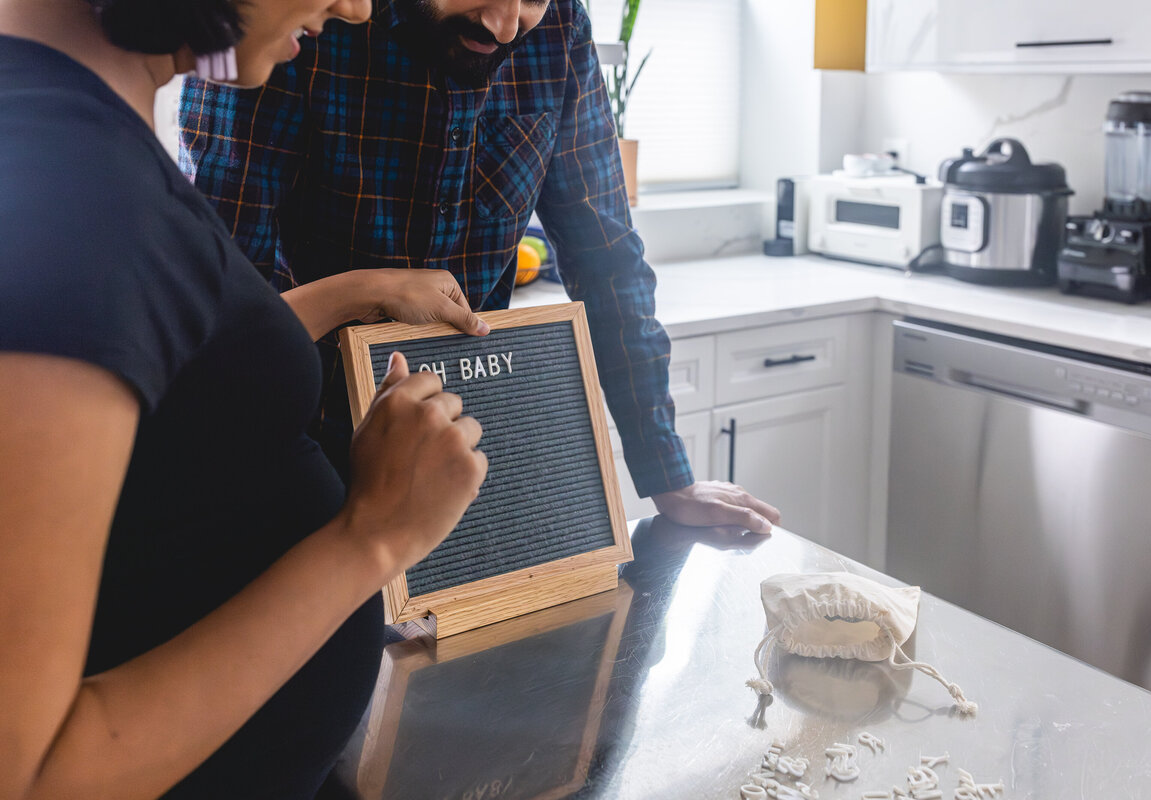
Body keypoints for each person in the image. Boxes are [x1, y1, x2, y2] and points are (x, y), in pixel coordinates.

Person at [0, 0, 489, 797]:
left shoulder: (70, 124)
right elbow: (31, 775)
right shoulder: (77, 190)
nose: (357, 8)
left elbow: (168, 359)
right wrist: (374, 538)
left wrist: (355, 293)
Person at [179, 0, 782, 535]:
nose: (505, 23)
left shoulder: (560, 31)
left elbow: (608, 261)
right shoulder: (302, 25)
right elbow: (226, 291)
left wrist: (665, 472)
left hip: (468, 440)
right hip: (296, 437)